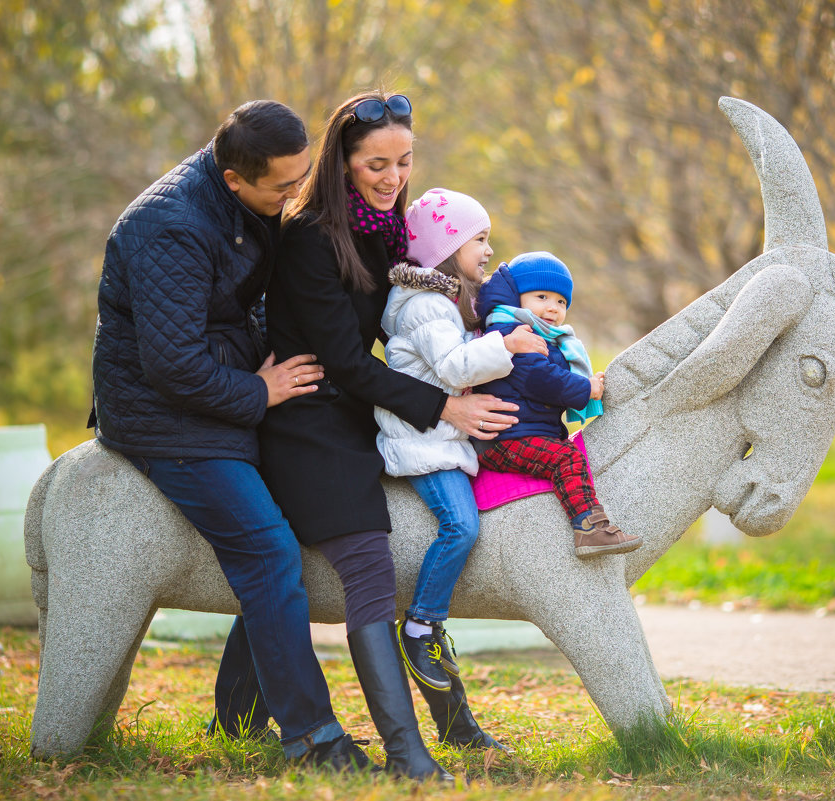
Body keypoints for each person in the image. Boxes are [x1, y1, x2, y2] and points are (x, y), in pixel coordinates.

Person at [209, 91, 519, 781]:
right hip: (305, 421)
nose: (392, 176)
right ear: (341, 161)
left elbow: (403, 324)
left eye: (403, 161)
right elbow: (346, 360)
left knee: (288, 569)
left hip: (355, 410)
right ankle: (408, 754)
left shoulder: (386, 228)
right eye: (376, 163)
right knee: (370, 570)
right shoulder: (310, 238)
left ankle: (231, 722)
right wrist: (443, 407)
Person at [89, 100, 371, 770]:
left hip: (228, 396)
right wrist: (263, 391)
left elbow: (252, 301)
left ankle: (241, 716)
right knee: (271, 551)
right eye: (284, 186)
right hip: (166, 418)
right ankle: (312, 737)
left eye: (301, 178)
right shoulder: (170, 227)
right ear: (233, 177)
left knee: (303, 512)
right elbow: (172, 364)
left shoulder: (255, 205)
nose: (295, 195)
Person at [373, 188, 544, 750]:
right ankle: (420, 625)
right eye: (479, 238)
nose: (489, 249)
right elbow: (451, 366)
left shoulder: (447, 302)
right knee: (461, 525)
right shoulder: (423, 305)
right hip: (425, 444)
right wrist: (509, 345)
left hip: (445, 439)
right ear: (448, 246)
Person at [473, 251, 643, 557]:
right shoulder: (513, 333)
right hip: (505, 439)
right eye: (542, 297)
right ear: (517, 296)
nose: (553, 308)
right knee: (566, 458)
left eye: (561, 302)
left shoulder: (541, 336)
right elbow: (541, 380)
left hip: (527, 432)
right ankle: (590, 529)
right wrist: (586, 388)